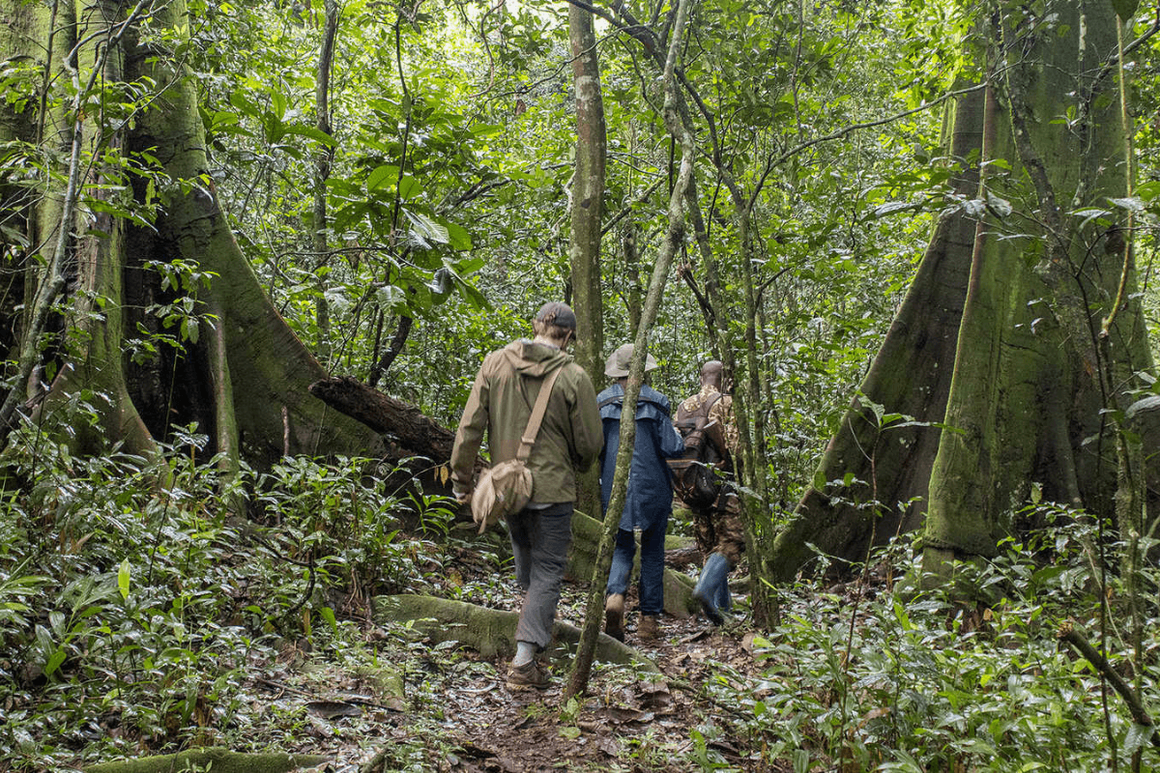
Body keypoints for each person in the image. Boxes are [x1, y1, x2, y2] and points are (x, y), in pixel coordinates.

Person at [450, 302, 603, 689]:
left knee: (530, 567)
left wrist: (461, 481)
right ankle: (523, 661)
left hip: (509, 491)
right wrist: (579, 465)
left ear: (535, 326)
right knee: (548, 571)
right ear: (568, 336)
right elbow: (590, 443)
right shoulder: (574, 376)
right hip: (552, 490)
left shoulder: (495, 363)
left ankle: (530, 638)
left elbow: (469, 426)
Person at [597, 344, 685, 643]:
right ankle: (648, 619)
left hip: (613, 485)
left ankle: (615, 597)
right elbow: (672, 447)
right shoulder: (656, 402)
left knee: (621, 546)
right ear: (644, 370)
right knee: (652, 550)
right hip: (653, 487)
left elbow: (595, 448)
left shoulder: (602, 402)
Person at [677, 360, 744, 625]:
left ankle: (722, 615)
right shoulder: (726, 402)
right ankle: (704, 589)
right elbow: (736, 448)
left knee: (709, 547)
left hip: (694, 489)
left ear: (702, 377)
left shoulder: (684, 406)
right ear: (723, 378)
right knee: (730, 544)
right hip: (724, 488)